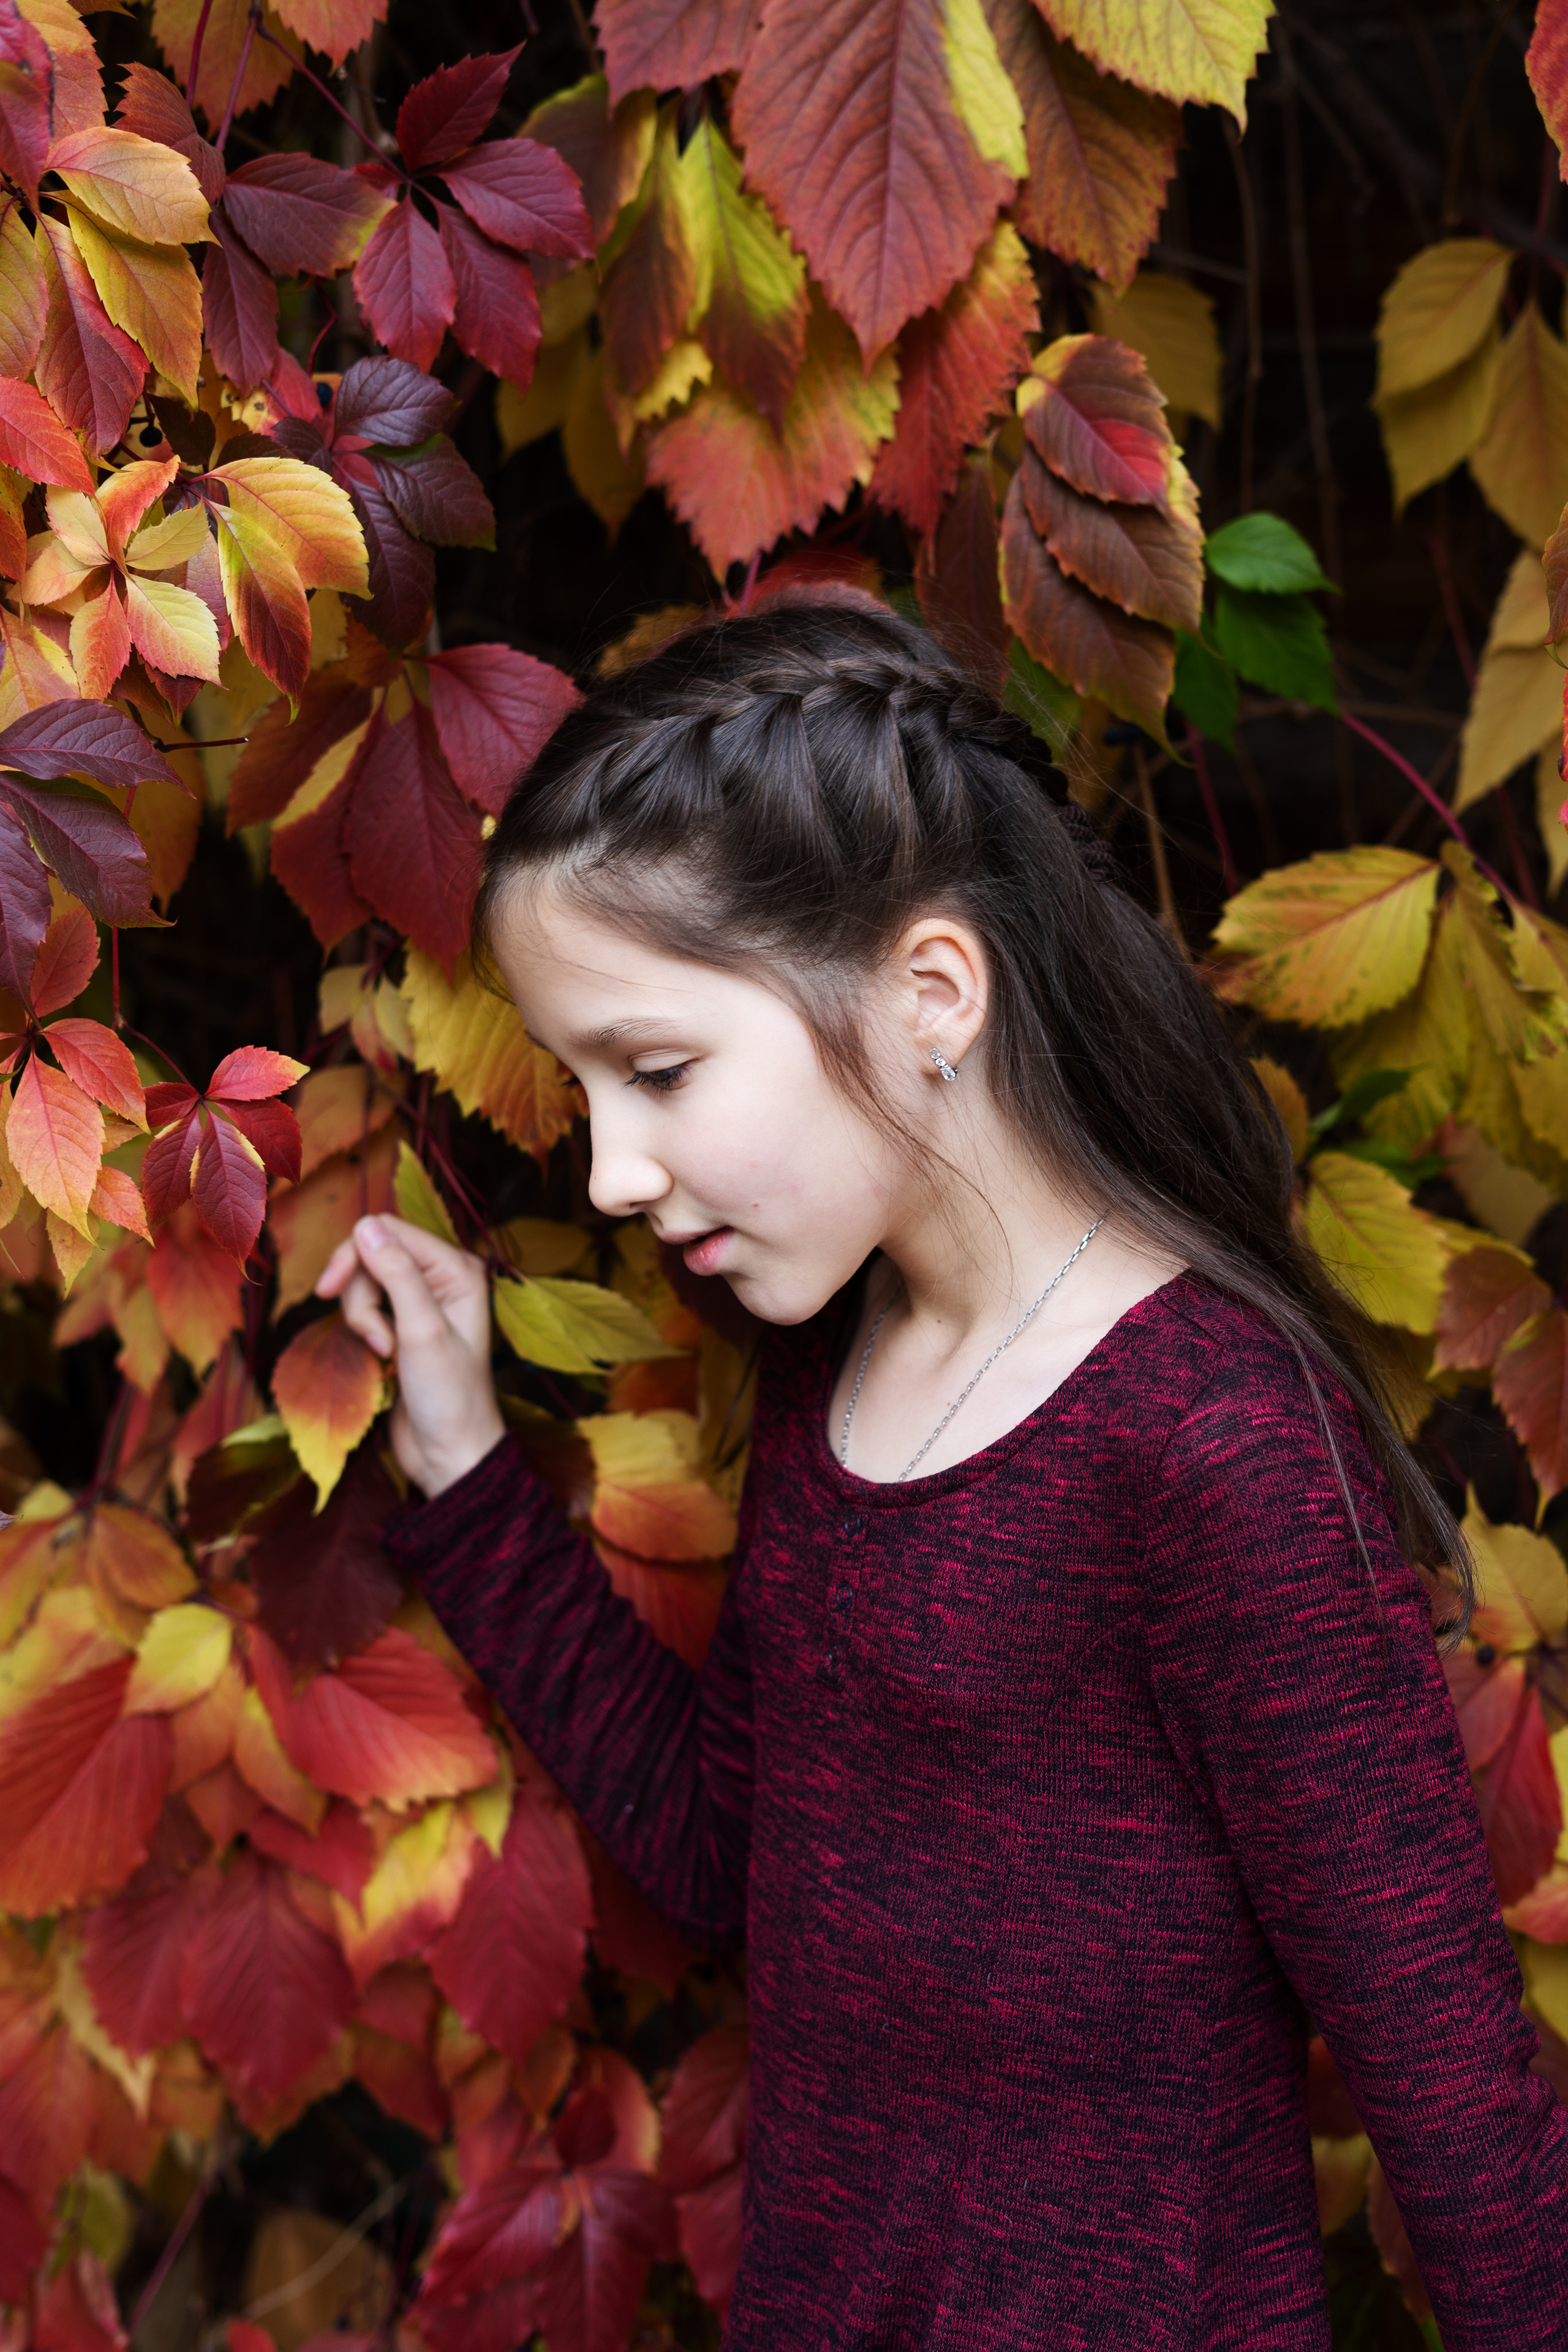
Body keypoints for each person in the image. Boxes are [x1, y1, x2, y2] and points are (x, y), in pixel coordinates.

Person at [317, 602, 1568, 2350]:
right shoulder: (837, 1365)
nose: (608, 1171)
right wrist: (460, 1462)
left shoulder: (1211, 1445)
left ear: (928, 995)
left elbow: (1445, 2077)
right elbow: (726, 1858)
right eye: (590, 1089)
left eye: (660, 1071)